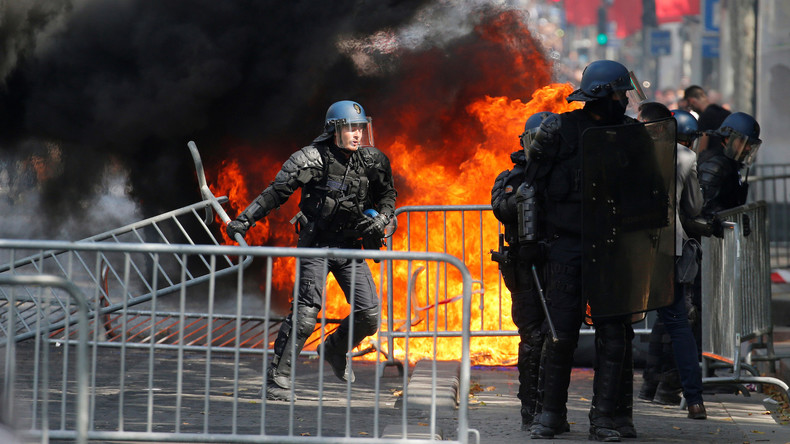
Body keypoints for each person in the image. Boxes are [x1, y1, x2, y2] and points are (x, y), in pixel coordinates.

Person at [227, 100, 397, 401]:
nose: (357, 134)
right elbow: (275, 193)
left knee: (369, 316)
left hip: (349, 248)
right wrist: (244, 220)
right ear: (334, 129)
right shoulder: (310, 159)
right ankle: (277, 381)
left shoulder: (372, 160)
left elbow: (387, 195)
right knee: (306, 313)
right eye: (350, 128)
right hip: (316, 245)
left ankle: (333, 348)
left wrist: (383, 218)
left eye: (360, 128)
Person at [525, 60, 659, 442]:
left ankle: (605, 419)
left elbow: (652, 191)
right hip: (568, 246)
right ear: (604, 94)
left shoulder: (634, 135)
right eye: (621, 92)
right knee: (561, 334)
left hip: (614, 249)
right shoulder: (559, 131)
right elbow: (532, 187)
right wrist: (535, 243)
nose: (626, 99)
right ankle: (551, 415)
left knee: (614, 336)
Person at [636, 102, 707, 420]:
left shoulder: (626, 151)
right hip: (668, 246)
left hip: (628, 248)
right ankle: (694, 400)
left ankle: (615, 405)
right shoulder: (686, 157)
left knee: (617, 325)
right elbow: (693, 206)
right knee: (678, 325)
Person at [490, 111, 558, 432]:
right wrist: (522, 196)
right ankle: (530, 410)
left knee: (557, 339)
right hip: (524, 267)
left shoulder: (562, 174)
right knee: (532, 338)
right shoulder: (511, 178)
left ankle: (551, 410)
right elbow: (500, 210)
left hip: (557, 265)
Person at [683, 85, 731, 159]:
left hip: (712, 163)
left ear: (691, 101)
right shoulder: (726, 113)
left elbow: (702, 148)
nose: (691, 109)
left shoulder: (705, 116)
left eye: (690, 106)